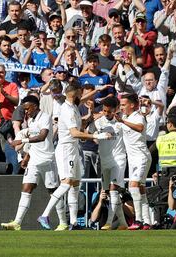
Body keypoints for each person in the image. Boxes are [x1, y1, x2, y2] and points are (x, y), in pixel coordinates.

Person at [37, 82, 112, 230]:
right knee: (67, 182)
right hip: (66, 150)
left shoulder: (73, 106)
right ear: (76, 92)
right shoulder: (67, 110)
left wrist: (97, 90)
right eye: (80, 92)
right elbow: (75, 133)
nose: (82, 96)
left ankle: (74, 223)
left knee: (76, 184)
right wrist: (98, 135)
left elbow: (83, 103)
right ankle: (44, 214)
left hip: (74, 148)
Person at [1, 95, 67, 231]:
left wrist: (22, 141)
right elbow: (33, 140)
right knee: (26, 189)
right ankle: (17, 222)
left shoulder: (45, 118)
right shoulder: (31, 120)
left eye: (27, 108)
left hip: (47, 160)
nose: (26, 111)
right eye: (24, 109)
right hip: (34, 161)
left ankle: (63, 223)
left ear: (35, 106)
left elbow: (42, 136)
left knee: (52, 191)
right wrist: (27, 157)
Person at [114, 93, 152, 230]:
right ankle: (147, 222)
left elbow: (140, 128)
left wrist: (122, 122)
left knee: (133, 186)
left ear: (132, 105)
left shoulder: (138, 116)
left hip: (141, 156)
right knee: (140, 190)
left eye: (124, 105)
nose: (121, 107)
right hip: (132, 159)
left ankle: (138, 220)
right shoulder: (124, 118)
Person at [94, 96, 129, 230]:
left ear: (115, 110)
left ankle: (108, 223)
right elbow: (88, 133)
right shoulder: (99, 122)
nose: (106, 114)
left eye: (109, 111)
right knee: (109, 191)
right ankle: (124, 224)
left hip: (118, 159)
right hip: (104, 160)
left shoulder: (121, 122)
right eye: (104, 111)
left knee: (114, 189)